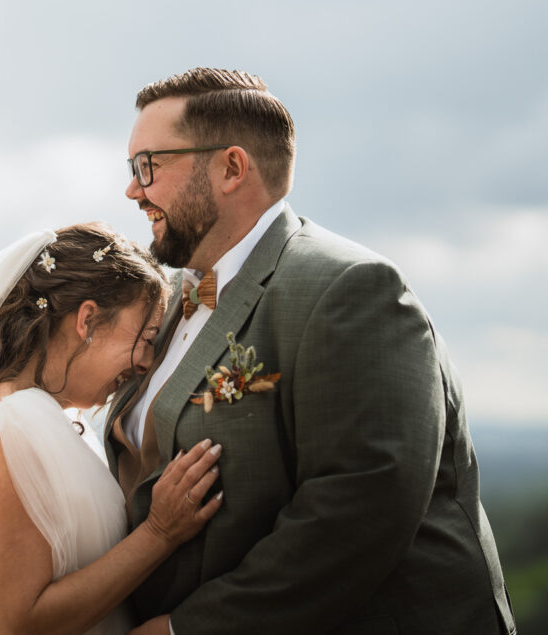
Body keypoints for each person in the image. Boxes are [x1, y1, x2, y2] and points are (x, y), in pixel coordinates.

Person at [108, 68, 515, 634]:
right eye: (133, 169)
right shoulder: (169, 298)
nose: (133, 189)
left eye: (148, 165)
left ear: (230, 168)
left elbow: (359, 508)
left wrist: (186, 629)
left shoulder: (350, 288)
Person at [0, 222, 225, 635]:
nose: (145, 363)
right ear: (87, 320)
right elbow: (24, 620)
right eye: (146, 337)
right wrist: (160, 533)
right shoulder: (15, 423)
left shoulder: (8, 411)